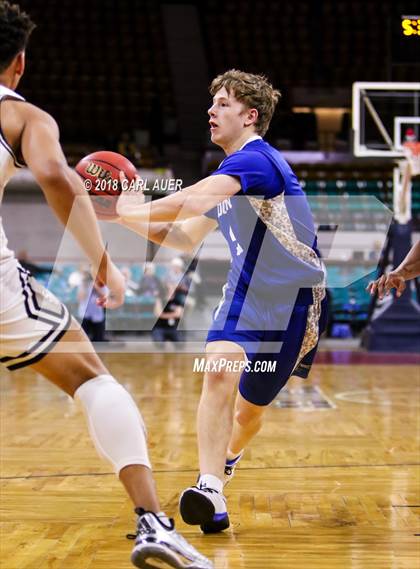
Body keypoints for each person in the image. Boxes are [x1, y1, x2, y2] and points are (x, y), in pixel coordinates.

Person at [0, 3, 212, 568]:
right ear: (18, 64)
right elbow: (55, 176)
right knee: (93, 379)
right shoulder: (22, 116)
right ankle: (153, 523)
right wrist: (104, 265)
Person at [116, 69, 327, 534]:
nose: (211, 110)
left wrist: (136, 206)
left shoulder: (258, 162)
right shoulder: (228, 177)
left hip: (294, 305)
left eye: (224, 103)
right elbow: (181, 234)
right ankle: (210, 488)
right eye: (212, 102)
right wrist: (122, 215)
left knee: (249, 413)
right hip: (245, 298)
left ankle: (228, 458)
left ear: (250, 116)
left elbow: (187, 203)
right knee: (217, 369)